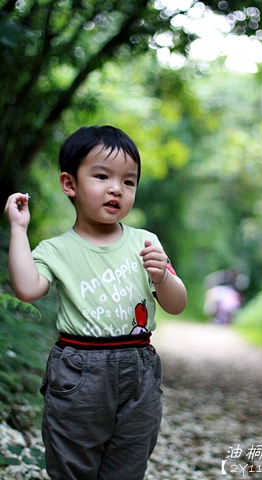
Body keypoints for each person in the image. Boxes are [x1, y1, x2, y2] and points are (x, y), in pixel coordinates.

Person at [4, 125, 187, 480]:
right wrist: (18, 230)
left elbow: (177, 304)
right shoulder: (56, 250)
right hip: (78, 369)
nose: (116, 188)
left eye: (128, 181)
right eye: (102, 176)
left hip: (139, 366)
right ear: (70, 184)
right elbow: (27, 289)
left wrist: (163, 277)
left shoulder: (146, 242)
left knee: (131, 455)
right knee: (72, 457)